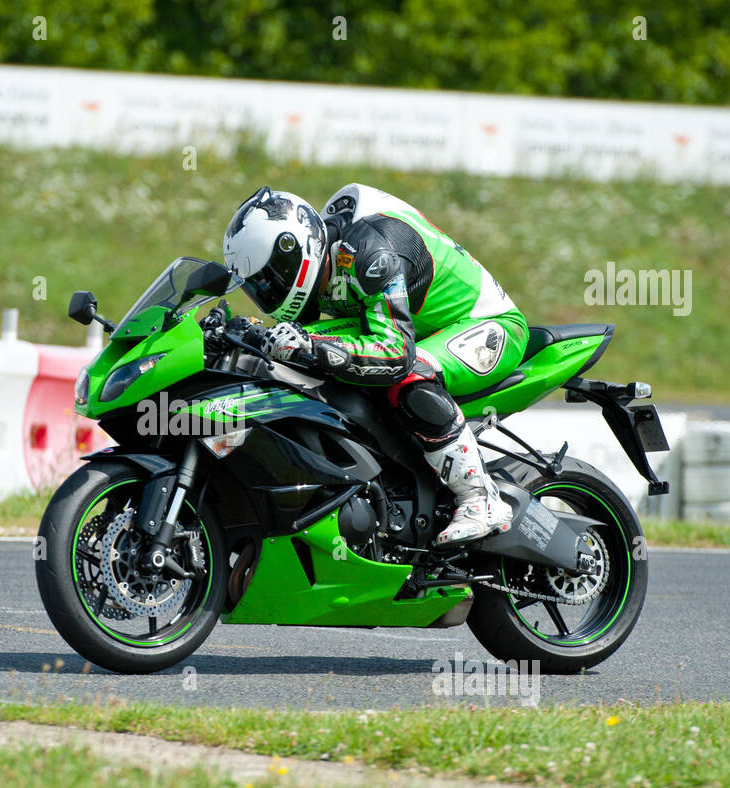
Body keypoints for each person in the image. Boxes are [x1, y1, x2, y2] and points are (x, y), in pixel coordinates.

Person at [221, 183, 526, 546]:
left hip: (484, 325)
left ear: (297, 252)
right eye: (257, 287)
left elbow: (395, 353)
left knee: (409, 376)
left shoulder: (370, 252)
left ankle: (480, 497)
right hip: (417, 328)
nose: (267, 292)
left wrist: (312, 346)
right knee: (288, 351)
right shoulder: (326, 258)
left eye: (272, 277)